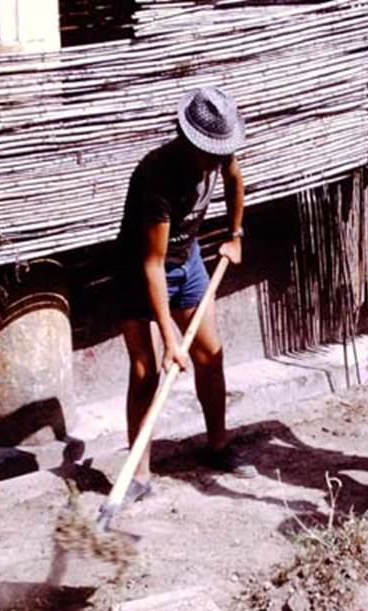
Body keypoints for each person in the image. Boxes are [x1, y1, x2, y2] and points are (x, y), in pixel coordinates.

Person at [113, 86, 257, 504]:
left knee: (210, 354)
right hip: (138, 270)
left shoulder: (219, 151)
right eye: (209, 153)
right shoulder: (157, 178)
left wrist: (235, 234)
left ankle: (216, 444)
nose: (217, 159)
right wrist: (169, 338)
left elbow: (234, 179)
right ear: (187, 139)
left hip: (187, 261)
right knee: (145, 372)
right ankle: (139, 472)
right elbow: (152, 265)